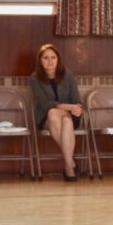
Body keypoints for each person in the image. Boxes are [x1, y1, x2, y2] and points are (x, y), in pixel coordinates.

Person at [29, 44, 83, 181]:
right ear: (40, 61)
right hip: (46, 116)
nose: (50, 61)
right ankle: (70, 164)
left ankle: (69, 165)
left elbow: (76, 100)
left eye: (53, 57)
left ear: (58, 60)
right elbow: (45, 103)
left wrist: (77, 108)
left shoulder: (68, 75)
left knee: (66, 120)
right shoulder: (34, 78)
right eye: (46, 58)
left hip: (70, 115)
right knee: (53, 113)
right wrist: (67, 107)